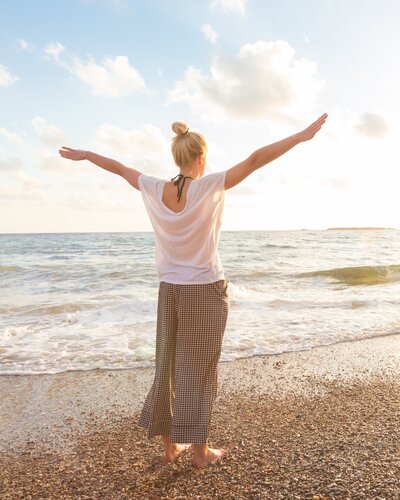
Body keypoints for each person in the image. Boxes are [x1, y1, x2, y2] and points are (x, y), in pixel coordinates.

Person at [59, 112, 328, 468]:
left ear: (177, 158)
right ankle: (201, 453)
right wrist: (299, 136)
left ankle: (170, 447)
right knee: (199, 372)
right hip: (204, 290)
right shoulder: (210, 185)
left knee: (167, 368)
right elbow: (255, 159)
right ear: (201, 158)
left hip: (168, 289)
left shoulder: (155, 187)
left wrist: (87, 155)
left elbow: (120, 168)